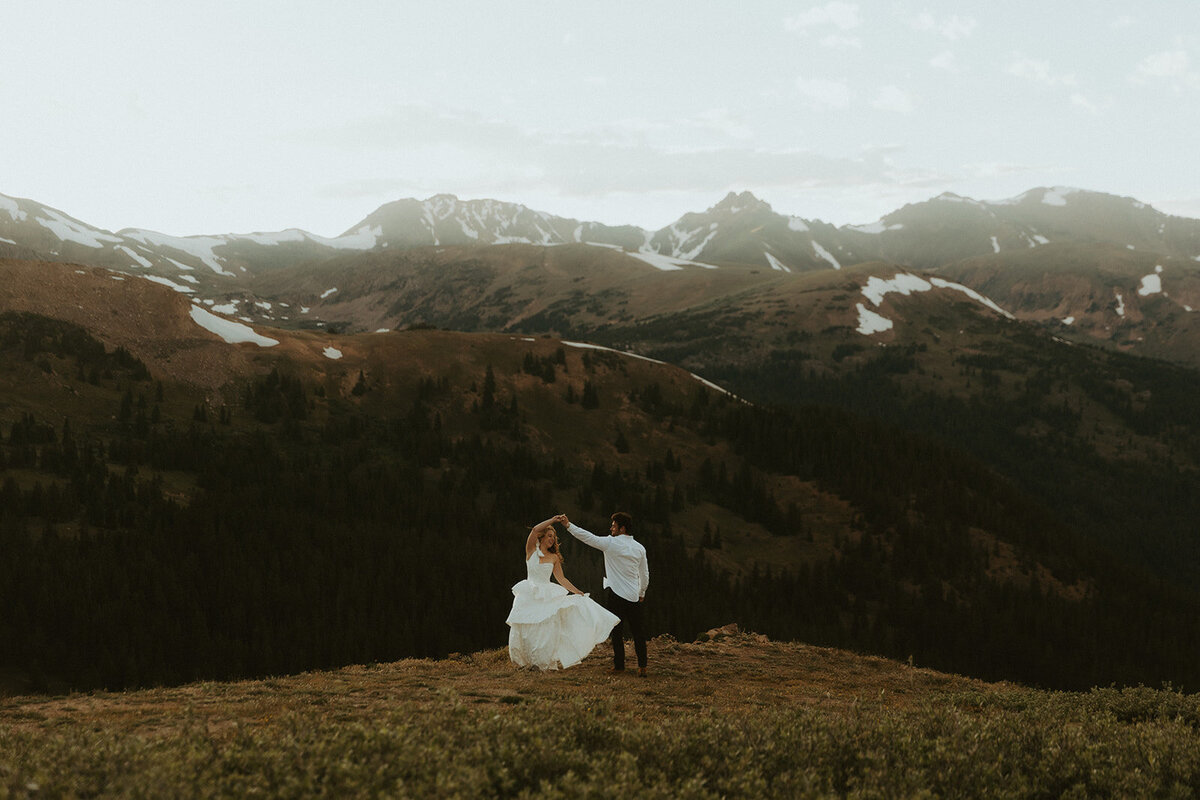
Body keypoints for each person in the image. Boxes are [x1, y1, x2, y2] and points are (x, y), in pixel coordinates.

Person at [506, 514, 619, 670]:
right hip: (529, 592)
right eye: (549, 535)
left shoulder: (553, 558)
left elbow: (561, 579)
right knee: (524, 627)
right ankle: (523, 662)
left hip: (546, 594)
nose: (552, 539)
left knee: (544, 630)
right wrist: (553, 520)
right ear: (542, 537)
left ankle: (540, 663)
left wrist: (576, 591)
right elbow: (534, 530)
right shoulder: (531, 550)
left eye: (554, 536)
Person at [563, 512, 650, 677]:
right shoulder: (640, 548)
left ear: (621, 528)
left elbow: (588, 537)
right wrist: (642, 591)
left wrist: (568, 526)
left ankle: (619, 666)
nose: (611, 528)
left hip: (616, 594)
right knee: (638, 631)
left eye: (614, 525)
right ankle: (643, 666)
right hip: (633, 595)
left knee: (616, 631)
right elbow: (644, 574)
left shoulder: (611, 543)